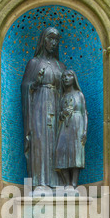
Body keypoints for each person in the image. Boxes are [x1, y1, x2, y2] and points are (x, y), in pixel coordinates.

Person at [21, 27, 66, 188]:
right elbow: (25, 87)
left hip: (57, 105)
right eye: (50, 39)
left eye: (56, 40)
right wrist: (36, 83)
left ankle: (58, 182)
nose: (53, 43)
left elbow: (67, 87)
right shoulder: (34, 63)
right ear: (43, 40)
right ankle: (40, 182)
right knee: (40, 141)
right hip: (39, 106)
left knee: (58, 142)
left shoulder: (60, 65)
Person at [55, 70, 88, 188]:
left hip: (77, 124)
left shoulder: (79, 95)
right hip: (64, 125)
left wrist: (84, 131)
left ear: (74, 78)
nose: (66, 78)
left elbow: (84, 113)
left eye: (69, 76)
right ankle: (66, 182)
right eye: (63, 76)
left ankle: (73, 183)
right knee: (60, 151)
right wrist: (62, 113)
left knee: (76, 153)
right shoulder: (62, 96)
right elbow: (58, 114)